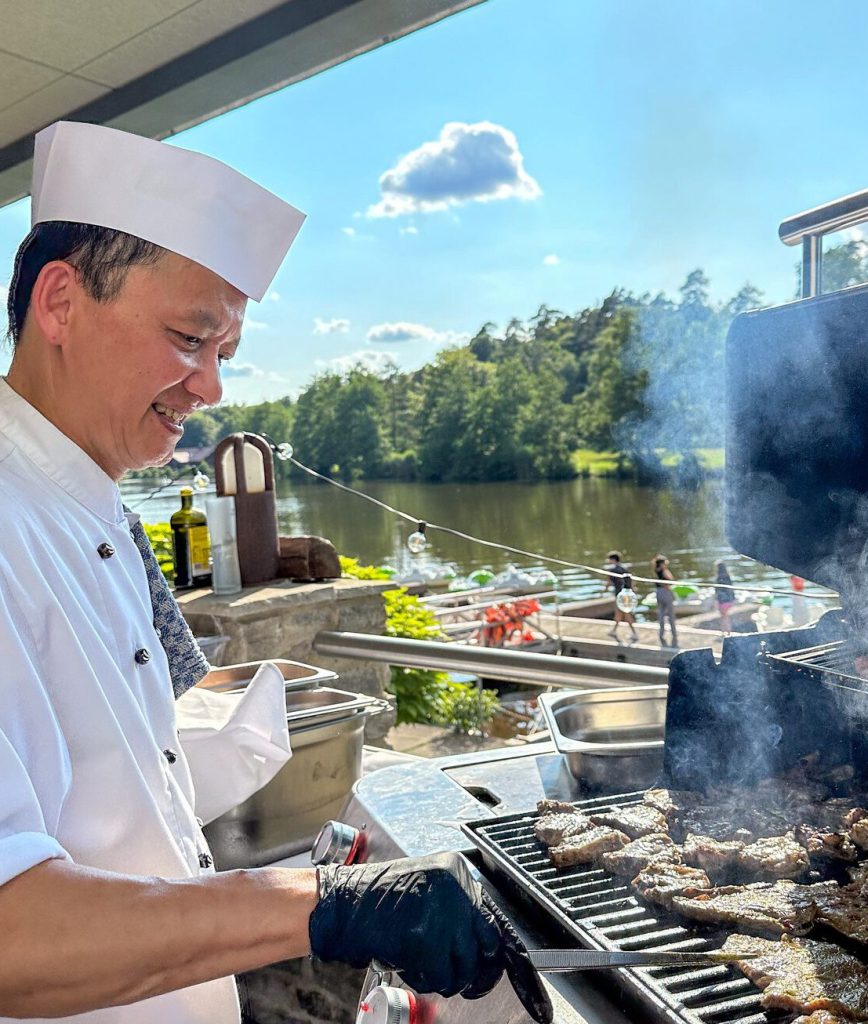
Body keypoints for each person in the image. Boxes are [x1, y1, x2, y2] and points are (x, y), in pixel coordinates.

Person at [0, 121, 551, 1024]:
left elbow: (122, 761)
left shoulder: (97, 504)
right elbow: (12, 934)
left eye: (224, 355)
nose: (211, 388)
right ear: (60, 302)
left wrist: (260, 711)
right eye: (189, 337)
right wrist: (321, 909)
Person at [604, 550, 638, 643]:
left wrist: (603, 591)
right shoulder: (624, 568)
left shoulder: (613, 570)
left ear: (613, 559)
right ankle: (614, 631)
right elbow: (631, 581)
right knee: (619, 614)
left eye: (609, 559)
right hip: (626, 594)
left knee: (626, 614)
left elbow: (608, 582)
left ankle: (635, 634)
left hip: (620, 596)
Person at [652, 555, 678, 647]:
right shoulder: (664, 571)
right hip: (666, 593)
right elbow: (671, 580)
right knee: (671, 615)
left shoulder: (656, 571)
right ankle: (674, 634)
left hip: (658, 593)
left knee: (661, 615)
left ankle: (661, 634)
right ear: (662, 563)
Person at [715, 559, 735, 633]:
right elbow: (732, 589)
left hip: (722, 601)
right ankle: (727, 631)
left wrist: (716, 601)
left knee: (724, 617)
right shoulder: (728, 577)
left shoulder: (718, 579)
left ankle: (724, 631)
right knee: (726, 617)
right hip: (729, 600)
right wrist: (733, 599)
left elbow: (717, 591)